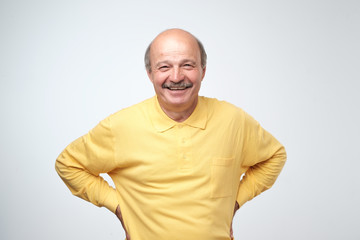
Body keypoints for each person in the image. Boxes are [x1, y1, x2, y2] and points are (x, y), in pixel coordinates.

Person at [55, 28, 286, 240]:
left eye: (187, 65)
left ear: (203, 71)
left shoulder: (233, 121)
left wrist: (234, 202)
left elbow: (274, 156)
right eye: (164, 67)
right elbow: (68, 164)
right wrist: (117, 205)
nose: (176, 77)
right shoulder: (121, 126)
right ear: (150, 73)